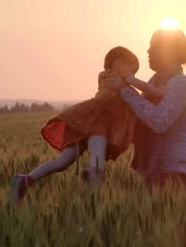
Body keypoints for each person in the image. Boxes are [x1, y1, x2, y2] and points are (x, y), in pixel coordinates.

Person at [9, 46, 166, 202]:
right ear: (119, 62)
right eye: (132, 65)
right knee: (96, 161)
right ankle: (93, 178)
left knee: (61, 163)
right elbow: (143, 87)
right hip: (99, 126)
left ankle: (26, 179)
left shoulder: (105, 77)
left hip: (85, 125)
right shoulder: (119, 77)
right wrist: (159, 92)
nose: (133, 71)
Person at [105, 29, 186, 190]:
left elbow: (159, 122)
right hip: (152, 173)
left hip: (173, 176)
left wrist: (125, 90)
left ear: (171, 51)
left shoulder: (180, 84)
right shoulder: (155, 81)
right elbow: (142, 122)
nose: (148, 50)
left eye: (154, 46)